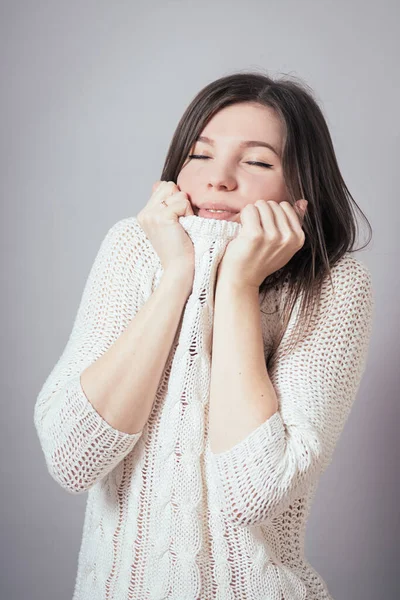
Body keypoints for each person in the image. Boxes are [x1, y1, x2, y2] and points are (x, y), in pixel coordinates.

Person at [34, 71, 374, 599]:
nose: (219, 180)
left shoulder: (331, 286)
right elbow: (73, 458)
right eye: (200, 155)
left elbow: (256, 492)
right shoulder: (132, 249)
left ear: (302, 190)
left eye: (258, 162)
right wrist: (178, 276)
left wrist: (238, 283)